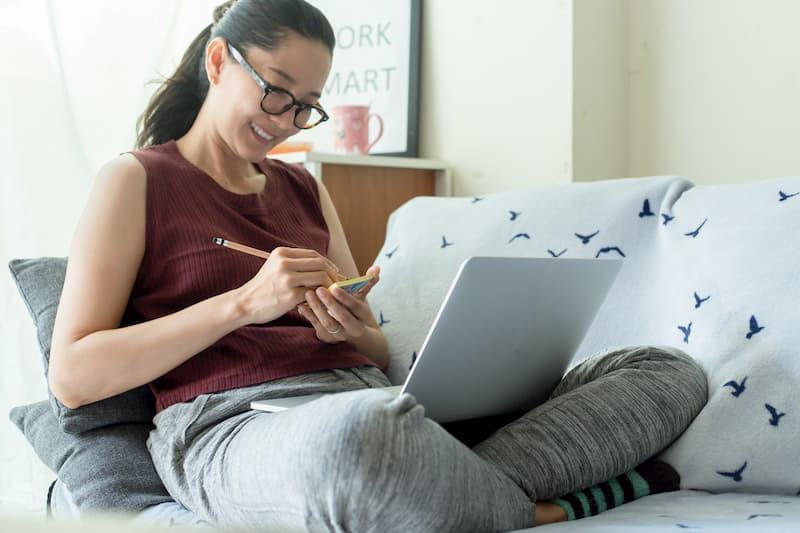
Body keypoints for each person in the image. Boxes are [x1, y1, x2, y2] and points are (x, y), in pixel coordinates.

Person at [48, 0, 708, 530]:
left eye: (307, 105)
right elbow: (74, 375)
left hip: (371, 400)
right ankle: (536, 506)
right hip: (236, 428)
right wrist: (243, 304)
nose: (288, 121)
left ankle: (447, 487)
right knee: (364, 438)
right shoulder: (136, 180)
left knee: (663, 372)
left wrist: (350, 328)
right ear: (219, 61)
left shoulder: (304, 188)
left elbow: (373, 342)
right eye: (278, 93)